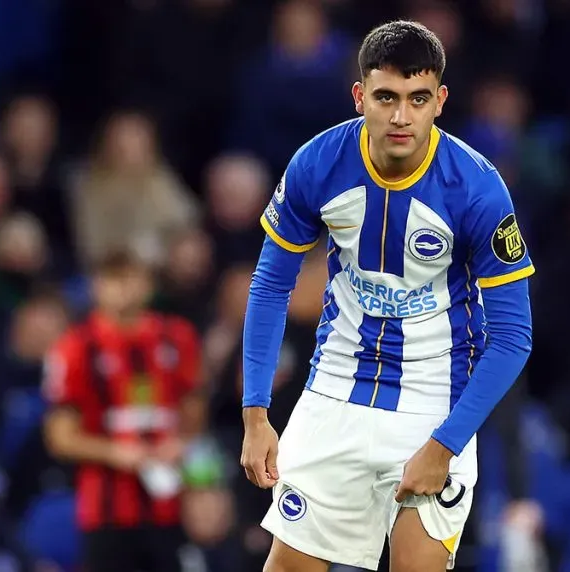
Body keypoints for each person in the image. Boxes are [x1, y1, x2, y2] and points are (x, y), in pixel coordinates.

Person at [240, 20, 535, 572]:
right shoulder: (317, 163)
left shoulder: (477, 187)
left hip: (432, 403)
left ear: (440, 101)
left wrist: (444, 445)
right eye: (386, 97)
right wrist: (256, 413)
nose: (401, 117)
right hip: (334, 392)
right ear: (360, 96)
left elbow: (514, 337)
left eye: (418, 99)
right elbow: (271, 285)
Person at [42, 250, 203, 572]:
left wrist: (182, 442)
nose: (123, 289)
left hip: (171, 503)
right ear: (96, 287)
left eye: (131, 278)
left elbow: (194, 407)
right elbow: (59, 437)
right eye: (113, 280)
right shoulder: (75, 348)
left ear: (148, 284)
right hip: (106, 511)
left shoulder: (178, 337)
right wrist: (115, 453)